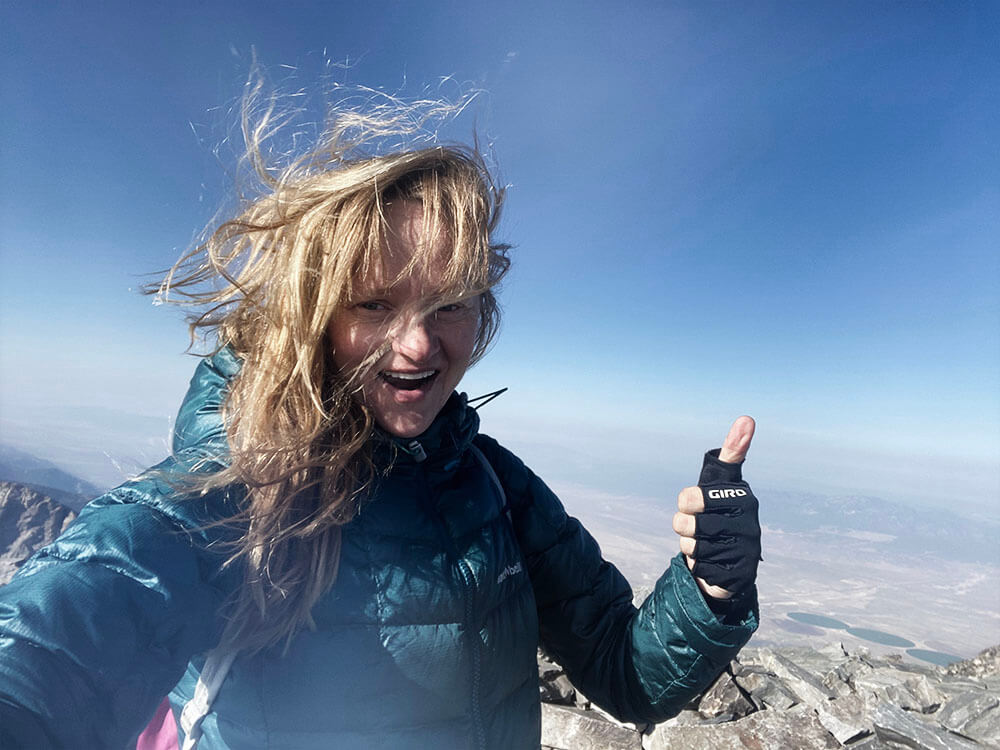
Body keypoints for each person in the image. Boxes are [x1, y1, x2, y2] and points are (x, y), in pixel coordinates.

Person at [0, 87, 761, 749]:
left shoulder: (493, 483)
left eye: (450, 303)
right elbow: (88, 605)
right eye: (375, 304)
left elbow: (623, 674)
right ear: (313, 313)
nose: (420, 344)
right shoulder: (248, 480)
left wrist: (711, 587)